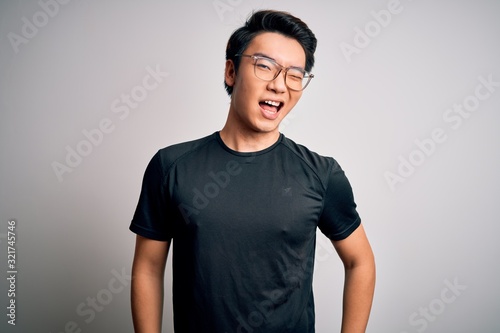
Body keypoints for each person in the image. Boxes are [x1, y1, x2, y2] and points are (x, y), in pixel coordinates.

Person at [130, 9, 375, 333]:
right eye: (264, 66)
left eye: (294, 74)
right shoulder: (171, 166)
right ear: (231, 71)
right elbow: (147, 268)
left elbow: (361, 262)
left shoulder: (321, 174)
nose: (279, 85)